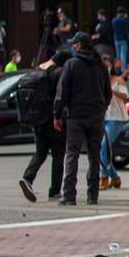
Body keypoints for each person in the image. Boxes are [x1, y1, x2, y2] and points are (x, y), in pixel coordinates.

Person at [53, 32, 111, 206]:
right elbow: (108, 93)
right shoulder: (101, 66)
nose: (73, 46)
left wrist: (57, 114)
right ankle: (93, 195)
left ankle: (69, 195)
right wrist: (101, 108)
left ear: (79, 46)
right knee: (94, 156)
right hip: (96, 115)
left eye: (74, 44)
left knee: (72, 154)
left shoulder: (71, 64)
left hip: (76, 116)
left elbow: (62, 93)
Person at [18, 47, 71, 203]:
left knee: (40, 152)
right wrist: (59, 116)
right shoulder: (59, 72)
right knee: (58, 155)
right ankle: (54, 191)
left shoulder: (38, 70)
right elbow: (61, 96)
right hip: (53, 120)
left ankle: (27, 178)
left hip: (36, 119)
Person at [99, 56, 128, 191]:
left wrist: (112, 91)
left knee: (104, 145)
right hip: (103, 118)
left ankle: (104, 177)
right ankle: (115, 177)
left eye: (106, 66)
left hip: (116, 118)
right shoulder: (99, 82)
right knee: (102, 149)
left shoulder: (118, 80)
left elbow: (125, 96)